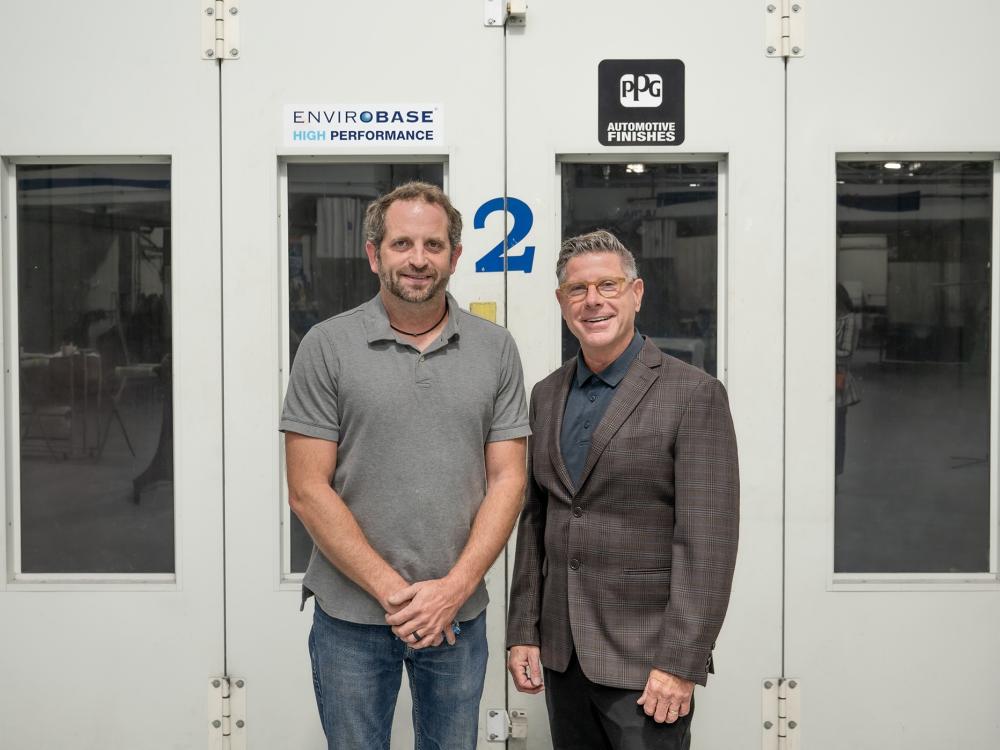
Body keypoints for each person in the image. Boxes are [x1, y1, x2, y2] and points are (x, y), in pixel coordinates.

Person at [281, 181, 530, 749]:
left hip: (458, 618)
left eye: (434, 245)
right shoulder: (326, 346)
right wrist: (397, 594)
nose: (418, 259)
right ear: (374, 254)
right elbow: (306, 489)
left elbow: (508, 479)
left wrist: (453, 590)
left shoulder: (496, 349)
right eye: (401, 244)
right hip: (351, 618)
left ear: (455, 256)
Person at [506, 230, 739, 750]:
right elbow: (535, 518)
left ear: (636, 294)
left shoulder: (693, 395)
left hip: (647, 666)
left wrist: (680, 663)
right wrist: (524, 628)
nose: (593, 301)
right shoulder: (547, 395)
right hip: (563, 657)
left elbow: (708, 546)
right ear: (562, 301)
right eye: (577, 289)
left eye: (607, 286)